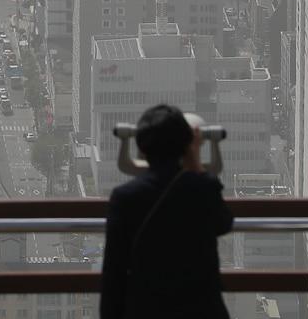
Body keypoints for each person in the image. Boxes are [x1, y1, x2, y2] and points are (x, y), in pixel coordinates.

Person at [100, 103, 234, 319]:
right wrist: (195, 164)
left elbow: (113, 273)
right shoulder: (204, 189)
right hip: (201, 310)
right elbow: (224, 224)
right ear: (188, 145)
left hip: (146, 310)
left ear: (142, 149)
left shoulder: (124, 198)